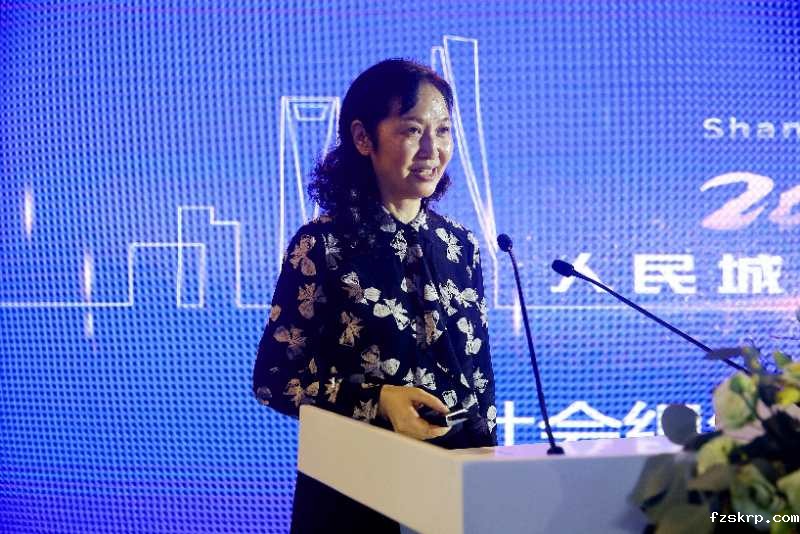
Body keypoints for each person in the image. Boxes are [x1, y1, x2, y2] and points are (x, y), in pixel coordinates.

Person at [252, 58, 497, 533]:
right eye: (412, 130)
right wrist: (377, 400)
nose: (432, 149)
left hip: (450, 492)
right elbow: (274, 379)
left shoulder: (460, 245)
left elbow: (480, 379)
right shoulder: (321, 245)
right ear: (363, 138)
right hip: (353, 495)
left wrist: (490, 484)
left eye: (443, 131)